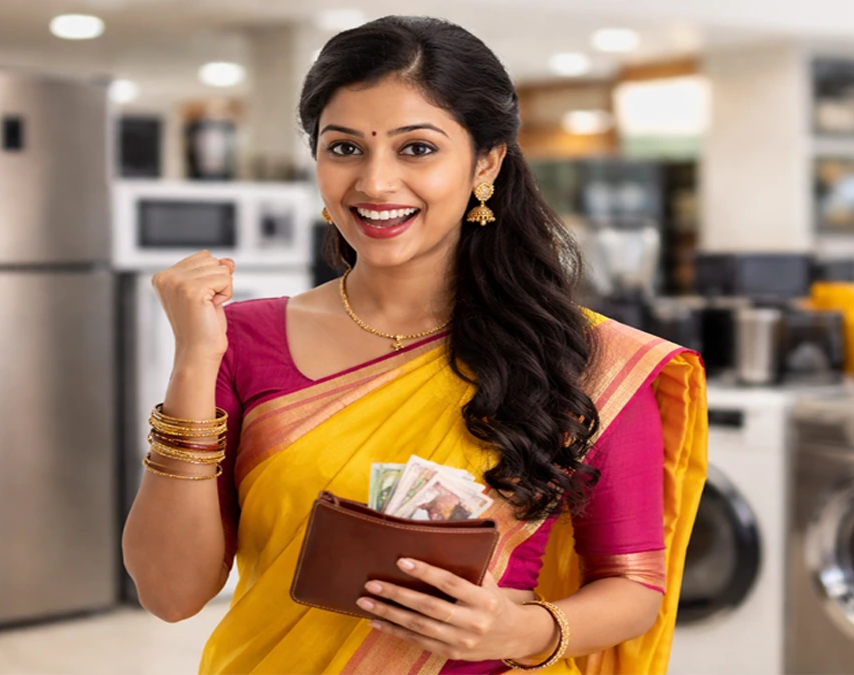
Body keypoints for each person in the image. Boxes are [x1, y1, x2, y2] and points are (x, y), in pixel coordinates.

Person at [122, 15, 707, 675]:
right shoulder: (241, 340)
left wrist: (520, 628)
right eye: (344, 148)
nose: (374, 183)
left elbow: (633, 589)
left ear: (486, 163)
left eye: (417, 149)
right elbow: (170, 593)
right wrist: (194, 360)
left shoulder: (587, 360)